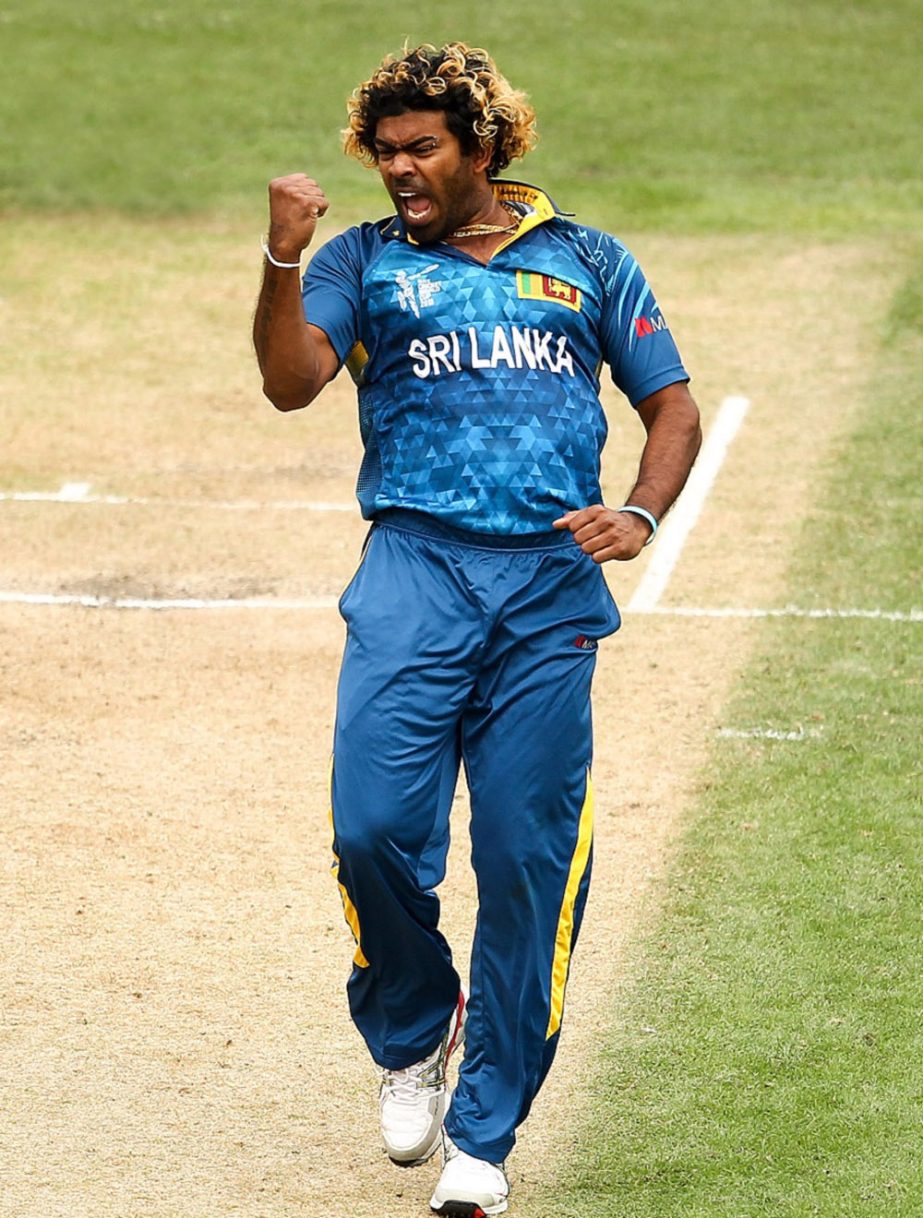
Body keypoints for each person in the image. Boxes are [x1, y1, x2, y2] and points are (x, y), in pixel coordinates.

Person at [253, 42, 701, 1218]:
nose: (397, 169)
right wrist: (282, 259)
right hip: (414, 569)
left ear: (484, 147)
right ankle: (413, 1030)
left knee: (524, 865)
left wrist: (640, 509)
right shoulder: (364, 259)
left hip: (549, 586)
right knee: (369, 829)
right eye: (383, 151)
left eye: (421, 149)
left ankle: (484, 1136)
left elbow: (670, 403)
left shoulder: (588, 259)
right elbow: (292, 380)